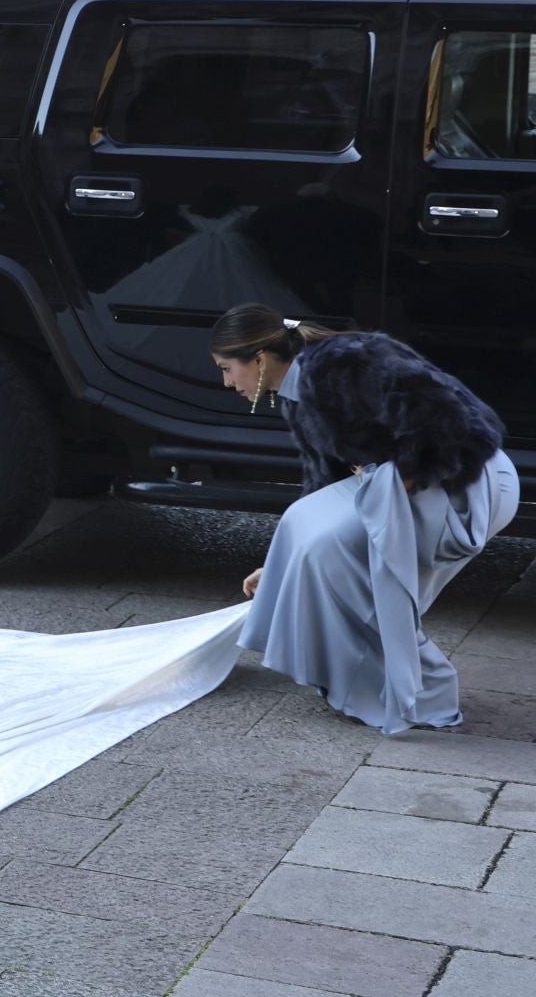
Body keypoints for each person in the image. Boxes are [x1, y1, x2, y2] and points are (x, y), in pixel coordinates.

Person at [212, 304, 521, 734]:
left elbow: (453, 421)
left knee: (340, 559)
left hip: (465, 485)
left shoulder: (344, 360)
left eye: (228, 369)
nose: (227, 382)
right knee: (310, 538)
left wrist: (396, 482)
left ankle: (423, 693)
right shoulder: (296, 396)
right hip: (411, 488)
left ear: (259, 358)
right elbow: (323, 487)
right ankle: (368, 684)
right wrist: (280, 564)